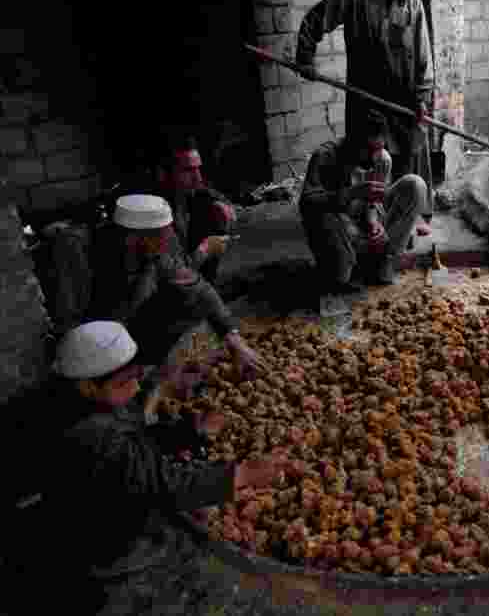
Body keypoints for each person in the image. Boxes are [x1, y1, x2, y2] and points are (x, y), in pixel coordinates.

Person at [2, 321, 286, 615]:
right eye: (127, 382)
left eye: (137, 376)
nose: (137, 387)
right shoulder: (92, 436)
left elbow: (130, 431)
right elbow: (164, 485)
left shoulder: (71, 392)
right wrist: (242, 474)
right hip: (81, 530)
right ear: (88, 385)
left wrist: (188, 432)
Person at [294, 0, 435, 242]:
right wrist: (305, 56)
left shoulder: (412, 4)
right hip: (366, 100)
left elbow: (423, 56)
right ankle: (367, 219)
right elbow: (315, 20)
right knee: (369, 162)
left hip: (405, 101)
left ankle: (405, 217)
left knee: (406, 156)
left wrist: (423, 98)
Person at [87, 194, 266, 391]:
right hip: (98, 343)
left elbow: (197, 287)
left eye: (168, 233)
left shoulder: (157, 252)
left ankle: (148, 367)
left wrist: (233, 339)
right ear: (132, 238)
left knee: (184, 298)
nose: (168, 241)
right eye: (161, 236)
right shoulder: (91, 257)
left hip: (133, 330)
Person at [300, 142, 427, 298]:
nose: (375, 156)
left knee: (415, 185)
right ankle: (345, 266)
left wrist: (373, 222)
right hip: (341, 226)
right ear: (354, 137)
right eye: (370, 150)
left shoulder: (381, 158)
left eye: (379, 148)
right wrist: (352, 193)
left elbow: (373, 204)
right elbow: (307, 203)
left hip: (363, 225)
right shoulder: (326, 156)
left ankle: (385, 261)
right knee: (341, 275)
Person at [148, 135, 238, 284]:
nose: (198, 177)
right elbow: (170, 276)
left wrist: (223, 207)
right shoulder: (153, 216)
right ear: (162, 173)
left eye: (198, 168)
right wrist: (205, 249)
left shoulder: (190, 193)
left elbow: (210, 194)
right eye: (188, 170)